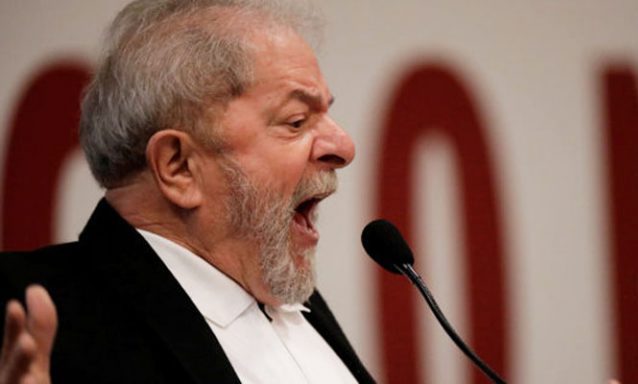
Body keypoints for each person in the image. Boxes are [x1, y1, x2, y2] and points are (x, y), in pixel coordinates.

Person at [0, 0, 374, 382]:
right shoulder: (24, 312)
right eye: (296, 121)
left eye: (325, 114)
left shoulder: (294, 302)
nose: (344, 146)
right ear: (178, 166)